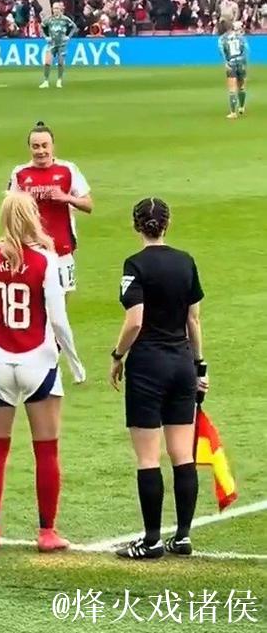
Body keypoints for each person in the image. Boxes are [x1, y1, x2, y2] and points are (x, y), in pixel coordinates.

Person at [0, 192, 86, 552]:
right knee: (46, 451)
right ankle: (47, 532)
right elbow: (58, 319)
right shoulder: (46, 259)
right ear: (34, 217)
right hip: (39, 363)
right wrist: (75, 361)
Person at [110, 198, 208, 560]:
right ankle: (182, 537)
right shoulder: (186, 261)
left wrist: (117, 356)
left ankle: (151, 540)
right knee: (182, 453)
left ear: (136, 226)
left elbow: (134, 321)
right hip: (182, 362)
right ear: (168, 223)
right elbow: (193, 320)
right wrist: (199, 367)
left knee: (148, 457)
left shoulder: (135, 264)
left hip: (148, 366)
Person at [8, 121, 92, 294]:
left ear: (53, 146)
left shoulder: (68, 170)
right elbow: (10, 211)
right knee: (33, 299)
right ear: (29, 148)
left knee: (62, 299)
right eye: (36, 146)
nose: (41, 151)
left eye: (45, 145)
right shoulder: (20, 173)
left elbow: (88, 205)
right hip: (30, 249)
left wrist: (66, 198)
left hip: (62, 248)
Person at [39, 2, 77, 89]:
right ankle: (46, 81)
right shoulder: (49, 19)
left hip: (62, 44)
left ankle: (59, 80)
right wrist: (45, 37)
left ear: (60, 9)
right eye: (54, 8)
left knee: (60, 63)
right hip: (52, 44)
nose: (55, 10)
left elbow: (74, 27)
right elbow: (41, 27)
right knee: (47, 62)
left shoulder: (65, 19)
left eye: (57, 8)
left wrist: (68, 37)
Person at [218, 19, 248, 119]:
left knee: (232, 89)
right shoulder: (240, 36)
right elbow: (246, 48)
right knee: (241, 86)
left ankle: (233, 113)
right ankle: (242, 107)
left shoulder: (222, 39)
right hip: (241, 62)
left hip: (231, 63)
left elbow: (222, 52)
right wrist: (244, 61)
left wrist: (225, 63)